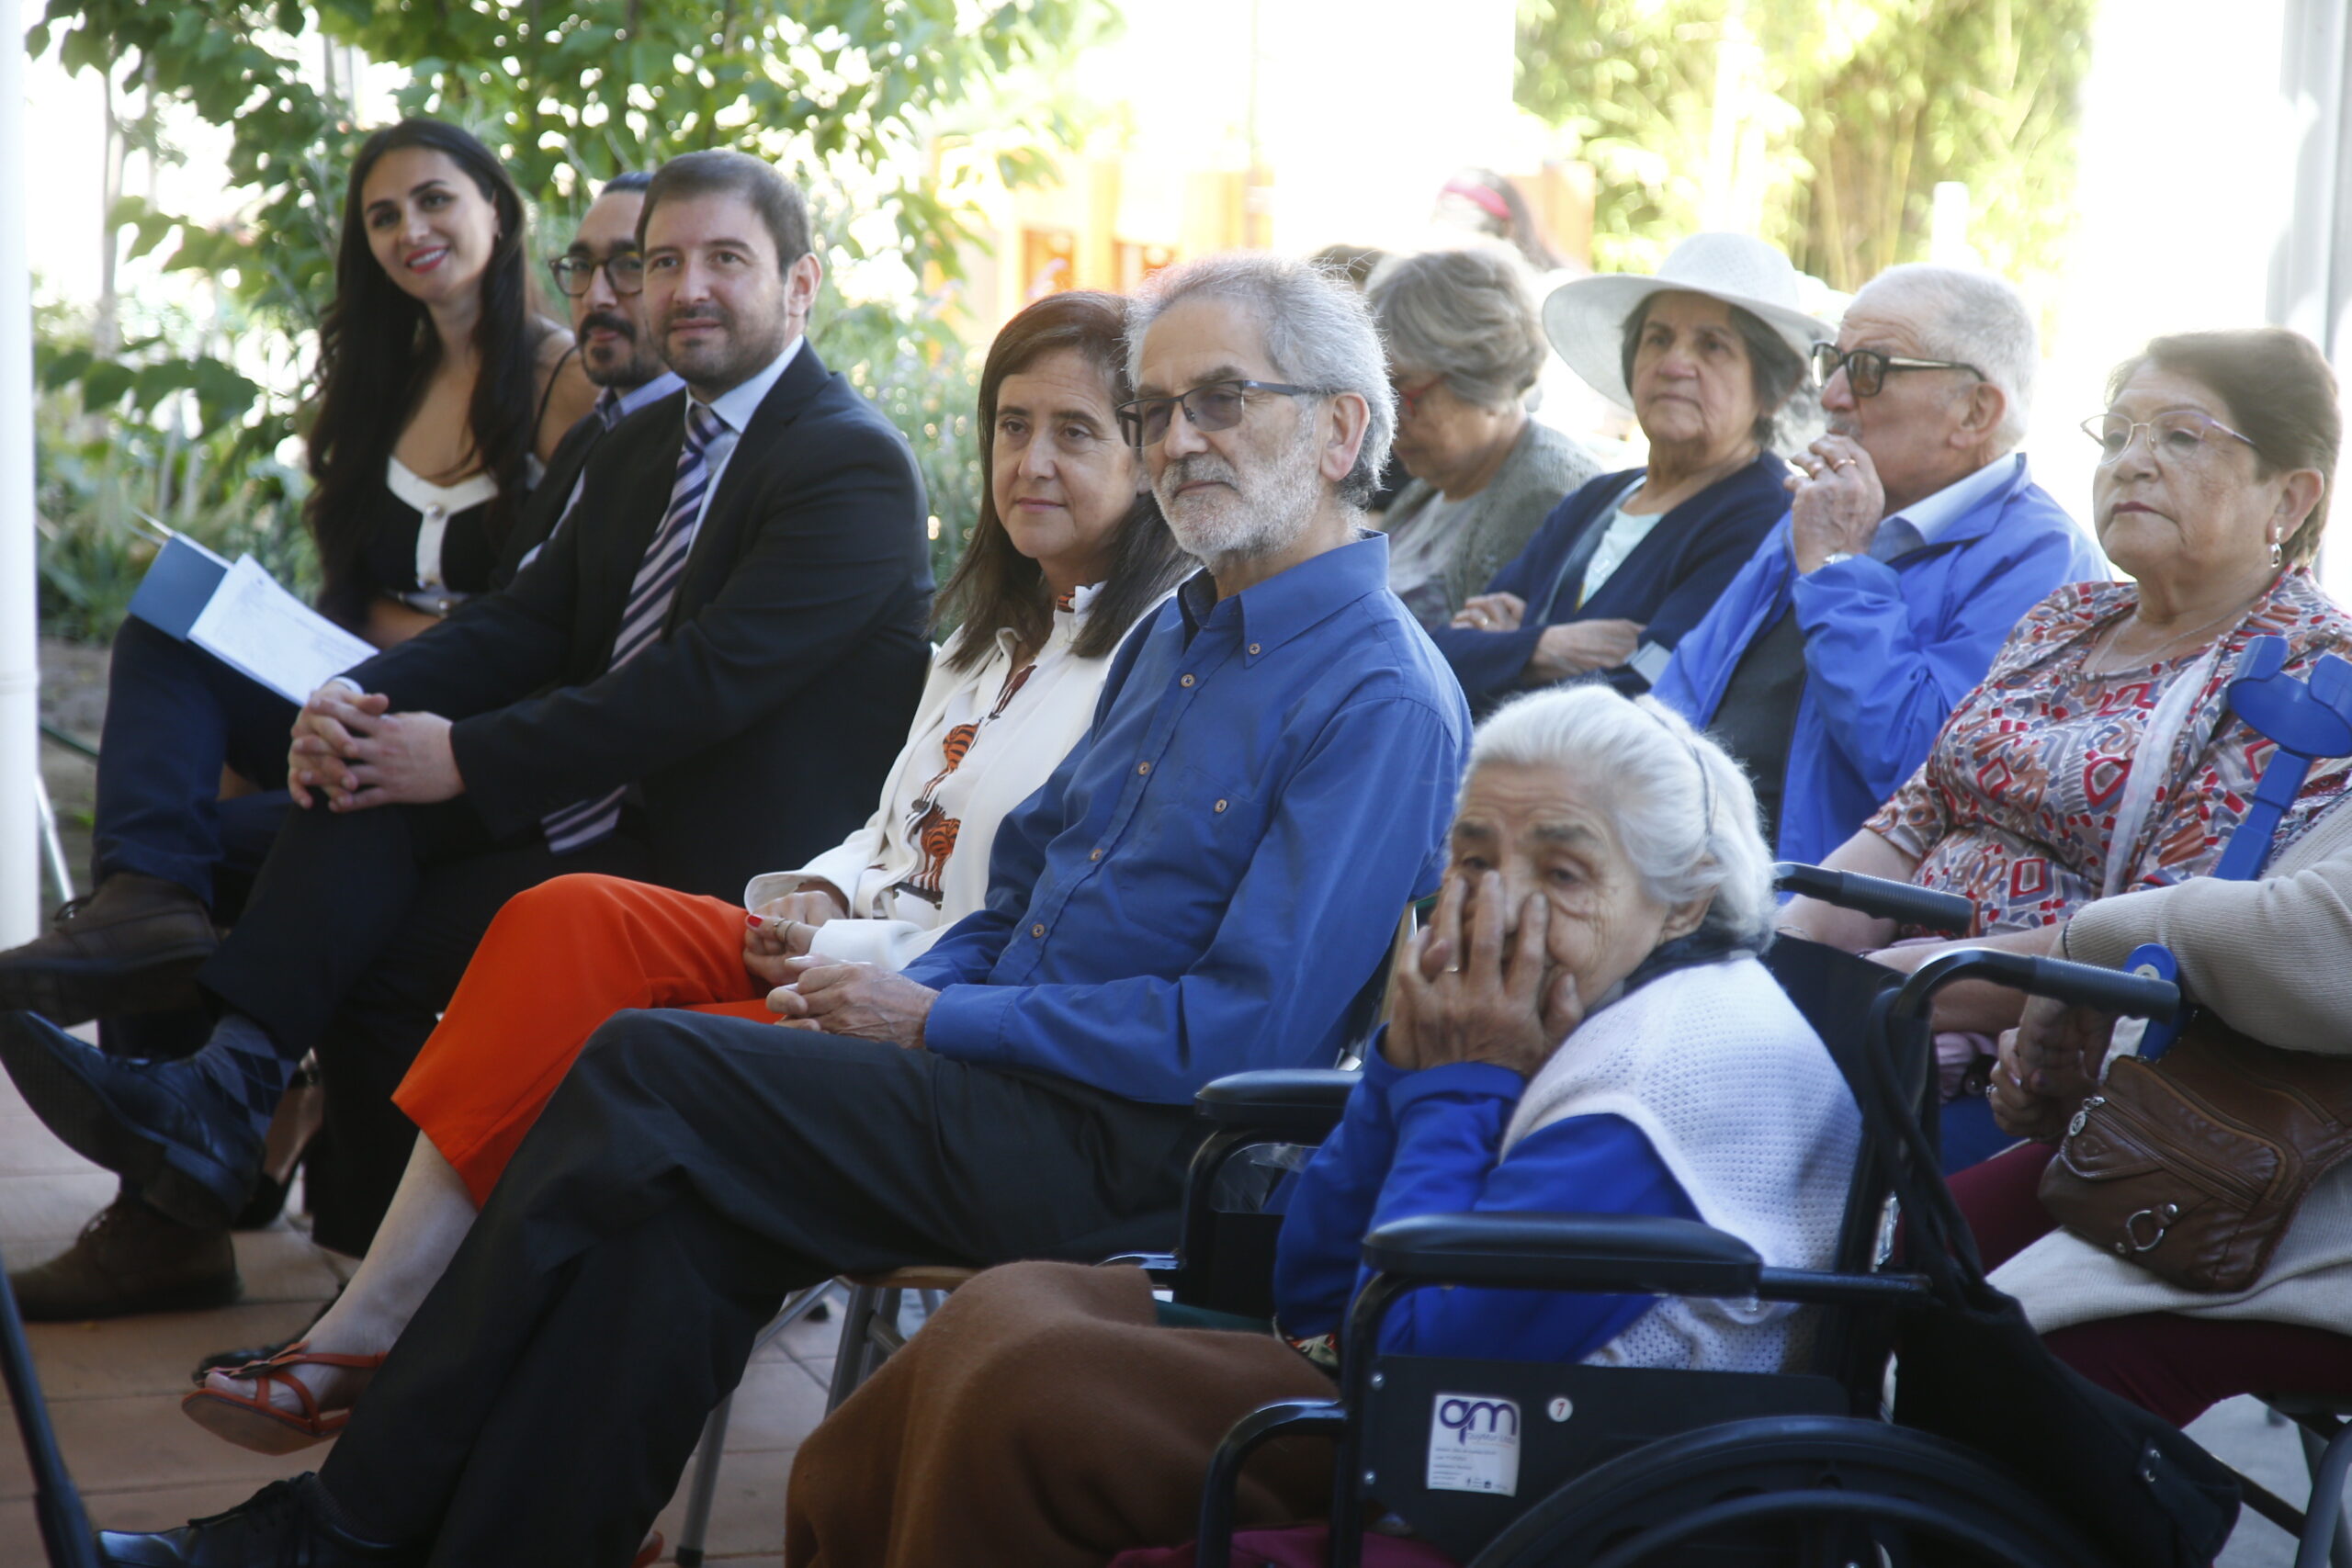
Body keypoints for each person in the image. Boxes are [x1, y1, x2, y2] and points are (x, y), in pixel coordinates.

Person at [88, 251, 1472, 1566]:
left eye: (1218, 401)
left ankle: (338, 1524)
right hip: (999, 1076)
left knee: (646, 1067)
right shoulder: (1183, 629)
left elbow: (1240, 1035)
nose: (1176, 440)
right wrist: (935, 992)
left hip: (1138, 1149)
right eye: (1160, 407)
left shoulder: (1380, 695)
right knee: (673, 1237)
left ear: (1342, 428)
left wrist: (938, 1012)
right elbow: (1032, 882)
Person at [175, 287, 1193, 1452]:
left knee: (623, 1069)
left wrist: (846, 940)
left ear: (1149, 451)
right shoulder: (990, 633)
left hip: (932, 1016)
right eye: (1011, 427)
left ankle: (465, 1429)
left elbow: (1023, 911)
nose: (1031, 461)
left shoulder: (1160, 661)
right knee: (566, 917)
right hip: (839, 941)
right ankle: (375, 1319)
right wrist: (813, 889)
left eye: (1075, 431)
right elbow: (896, 826)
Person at [0, 149, 933, 1271]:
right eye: (662, 261)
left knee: (387, 829)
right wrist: (350, 704)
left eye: (723, 259)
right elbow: (522, 622)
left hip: (722, 870)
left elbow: (699, 687)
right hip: (594, 816)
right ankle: (243, 1109)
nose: (684, 287)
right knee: (359, 791)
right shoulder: (641, 441)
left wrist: (465, 760)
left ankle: (377, 1257)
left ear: (800, 284)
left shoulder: (850, 464)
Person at [782, 685, 1861, 1568]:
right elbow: (1315, 1292)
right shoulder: (1567, 1002)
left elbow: (1416, 1370)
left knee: (1032, 1394)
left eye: (1565, 872)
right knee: (1001, 1311)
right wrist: (1402, 1065)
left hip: (1523, 1464)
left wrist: (1456, 1086)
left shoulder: (1658, 1074)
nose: (1500, 908)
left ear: (1679, 904)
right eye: (1474, 861)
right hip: (1400, 1385)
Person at [0, 122, 625, 1322]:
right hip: (342, 688)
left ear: (497, 211)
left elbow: (564, 616)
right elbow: (345, 588)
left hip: (465, 728)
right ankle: (142, 900)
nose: (409, 232)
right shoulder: (376, 383)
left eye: (435, 200)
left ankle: (167, 1214)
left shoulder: (562, 383)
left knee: (220, 868)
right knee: (171, 623)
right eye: (382, 217)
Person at [1778, 328, 2352, 1156]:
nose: (2131, 462)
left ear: (2290, 498)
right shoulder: (2067, 619)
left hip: (2041, 1073)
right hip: (1885, 1007)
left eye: (2181, 437)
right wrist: (1789, 954)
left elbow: (2157, 936)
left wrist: (1880, 988)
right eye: (2116, 436)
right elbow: (1915, 816)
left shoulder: (2304, 672)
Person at [1655, 264, 2104, 863]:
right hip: (1685, 867)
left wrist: (1840, 564)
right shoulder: (1828, 504)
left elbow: (1920, 764)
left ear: (1975, 412)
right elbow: (1683, 688)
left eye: (1869, 371)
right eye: (1832, 362)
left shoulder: (2044, 559)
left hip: (1830, 918)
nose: (1833, 395)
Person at [1964, 797, 2352, 1427]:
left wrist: (2085, 947)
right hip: (2236, 1149)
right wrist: (2101, 1077)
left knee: (2009, 1371)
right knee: (1925, 1251)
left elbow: (2321, 944)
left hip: (2308, 1211)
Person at [1430, 233, 1819, 715]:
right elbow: (1442, 655)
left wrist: (1507, 650)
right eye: (1658, 338)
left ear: (1773, 389)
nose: (1675, 363)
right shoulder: (1598, 498)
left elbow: (1645, 692)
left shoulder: (1764, 516)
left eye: (1712, 346)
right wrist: (1546, 648)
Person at [1366, 246, 1599, 630]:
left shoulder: (1547, 495)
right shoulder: (1439, 483)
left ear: (1482, 377)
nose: (1390, 420)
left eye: (1406, 395)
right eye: (1378, 396)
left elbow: (1499, 662)